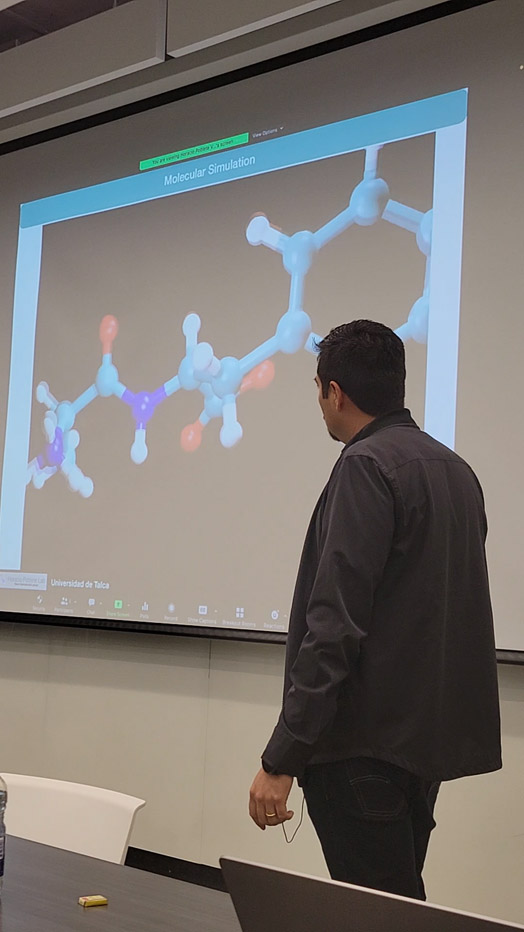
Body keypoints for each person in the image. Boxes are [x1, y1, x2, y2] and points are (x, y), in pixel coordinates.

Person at [249, 319, 501, 901]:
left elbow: (334, 626)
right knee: (397, 905)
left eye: (318, 390)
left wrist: (282, 757)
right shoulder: (457, 472)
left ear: (334, 392)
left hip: (359, 750)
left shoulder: (364, 467)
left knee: (381, 915)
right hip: (421, 751)